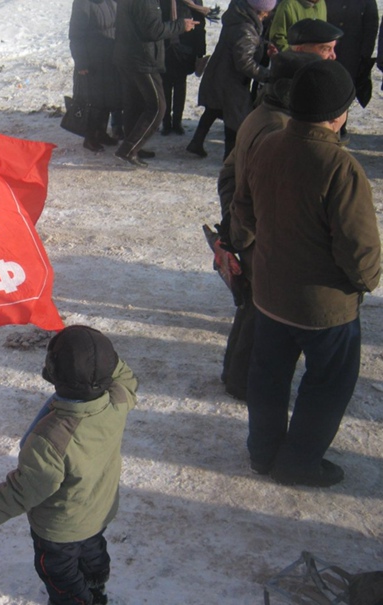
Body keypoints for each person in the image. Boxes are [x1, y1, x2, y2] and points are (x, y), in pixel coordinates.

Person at [230, 60, 381, 487]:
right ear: (339, 113)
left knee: (268, 377)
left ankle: (262, 452)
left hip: (269, 293)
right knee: (328, 385)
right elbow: (359, 248)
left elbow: (243, 210)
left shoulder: (268, 144)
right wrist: (365, 282)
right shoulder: (340, 167)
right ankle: (298, 463)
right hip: (323, 308)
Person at [0, 325, 138, 605]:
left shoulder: (51, 438)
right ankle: (96, 588)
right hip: (98, 511)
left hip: (59, 529)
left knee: (59, 573)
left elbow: (24, 489)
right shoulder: (118, 400)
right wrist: (97, 354)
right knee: (92, 553)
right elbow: (123, 375)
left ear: (51, 375)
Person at [216, 50, 321, 401]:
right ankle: (241, 382)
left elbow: (228, 174)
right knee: (258, 313)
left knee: (250, 307)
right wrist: (245, 234)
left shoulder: (262, 113)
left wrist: (233, 223)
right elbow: (256, 188)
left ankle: (235, 375)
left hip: (250, 231)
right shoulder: (278, 128)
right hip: (261, 236)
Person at [186, 0, 275, 160]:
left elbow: (246, 44)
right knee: (234, 118)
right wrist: (267, 75)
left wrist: (263, 45)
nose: (268, 15)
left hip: (220, 73)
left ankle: (196, 142)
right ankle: (230, 157)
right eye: (266, 12)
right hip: (232, 81)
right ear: (258, 11)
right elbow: (244, 62)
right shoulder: (245, 28)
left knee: (214, 108)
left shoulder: (238, 18)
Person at [113, 0, 196, 167]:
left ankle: (133, 147)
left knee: (134, 105)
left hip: (127, 56)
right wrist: (180, 25)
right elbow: (153, 31)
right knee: (158, 107)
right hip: (142, 60)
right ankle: (128, 149)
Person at [68, 0, 122, 152]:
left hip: (109, 58)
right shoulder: (83, 3)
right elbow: (75, 35)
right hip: (91, 61)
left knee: (106, 99)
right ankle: (90, 137)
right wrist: (81, 62)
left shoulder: (110, 2)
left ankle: (101, 133)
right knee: (92, 101)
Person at [323, 1, 379, 138]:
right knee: (326, 87)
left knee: (345, 90)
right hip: (327, 52)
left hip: (352, 55)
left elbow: (371, 27)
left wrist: (365, 55)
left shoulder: (367, 2)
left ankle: (340, 126)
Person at [159, 0, 208, 136]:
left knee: (180, 84)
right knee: (165, 85)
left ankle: (177, 122)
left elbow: (200, 23)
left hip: (186, 47)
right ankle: (166, 122)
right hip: (165, 46)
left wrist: (200, 51)